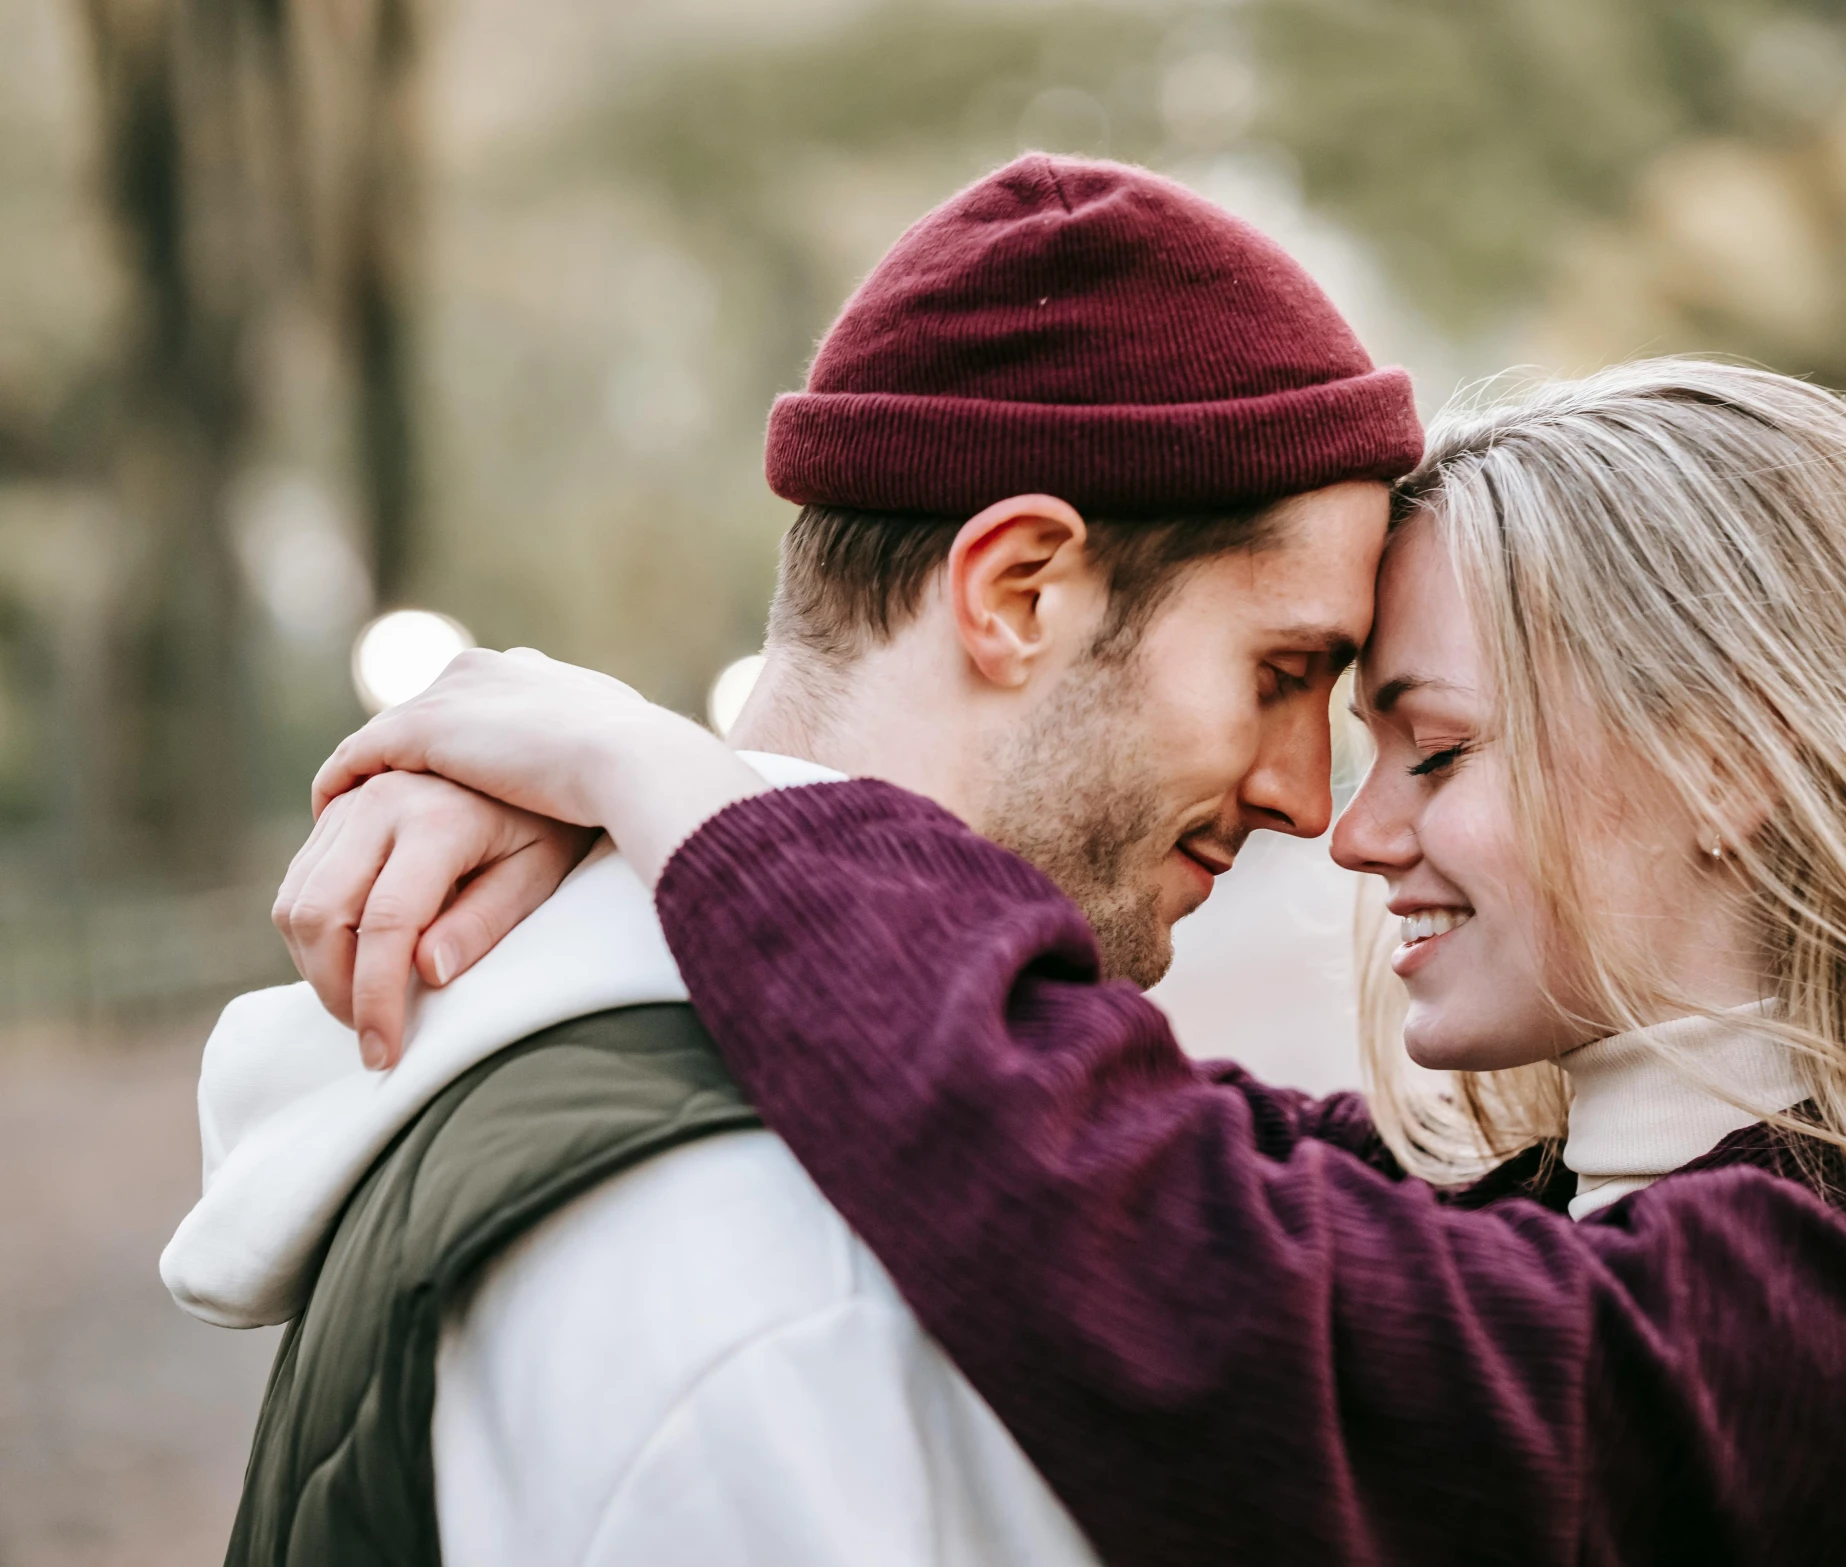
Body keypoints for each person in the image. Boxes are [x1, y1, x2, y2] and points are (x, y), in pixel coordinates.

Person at [291, 359, 1846, 1565]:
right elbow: (1092, 1132)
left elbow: (1159, 1244)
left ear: (1731, 763)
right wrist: (635, 821)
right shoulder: (1584, 1231)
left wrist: (671, 780)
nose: (1353, 824)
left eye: (1434, 745)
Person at [161, 152, 1419, 1567]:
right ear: (1019, 593)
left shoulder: (647, 1091)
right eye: (1282, 668)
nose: (1309, 798)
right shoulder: (796, 1255)